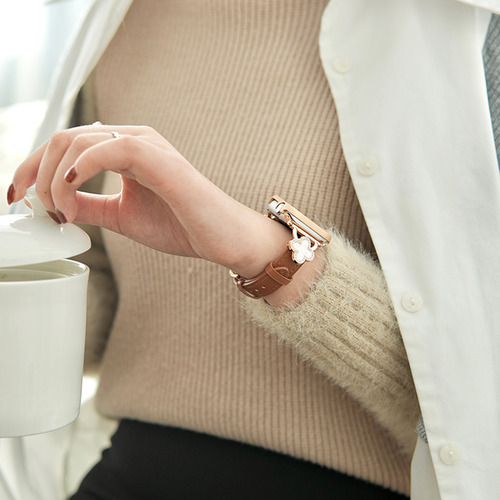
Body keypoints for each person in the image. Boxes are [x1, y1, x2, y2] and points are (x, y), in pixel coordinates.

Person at [6, 0, 500, 498]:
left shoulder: (473, 30)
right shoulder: (123, 16)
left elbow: (473, 401)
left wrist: (265, 253)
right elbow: (98, 284)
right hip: (126, 473)